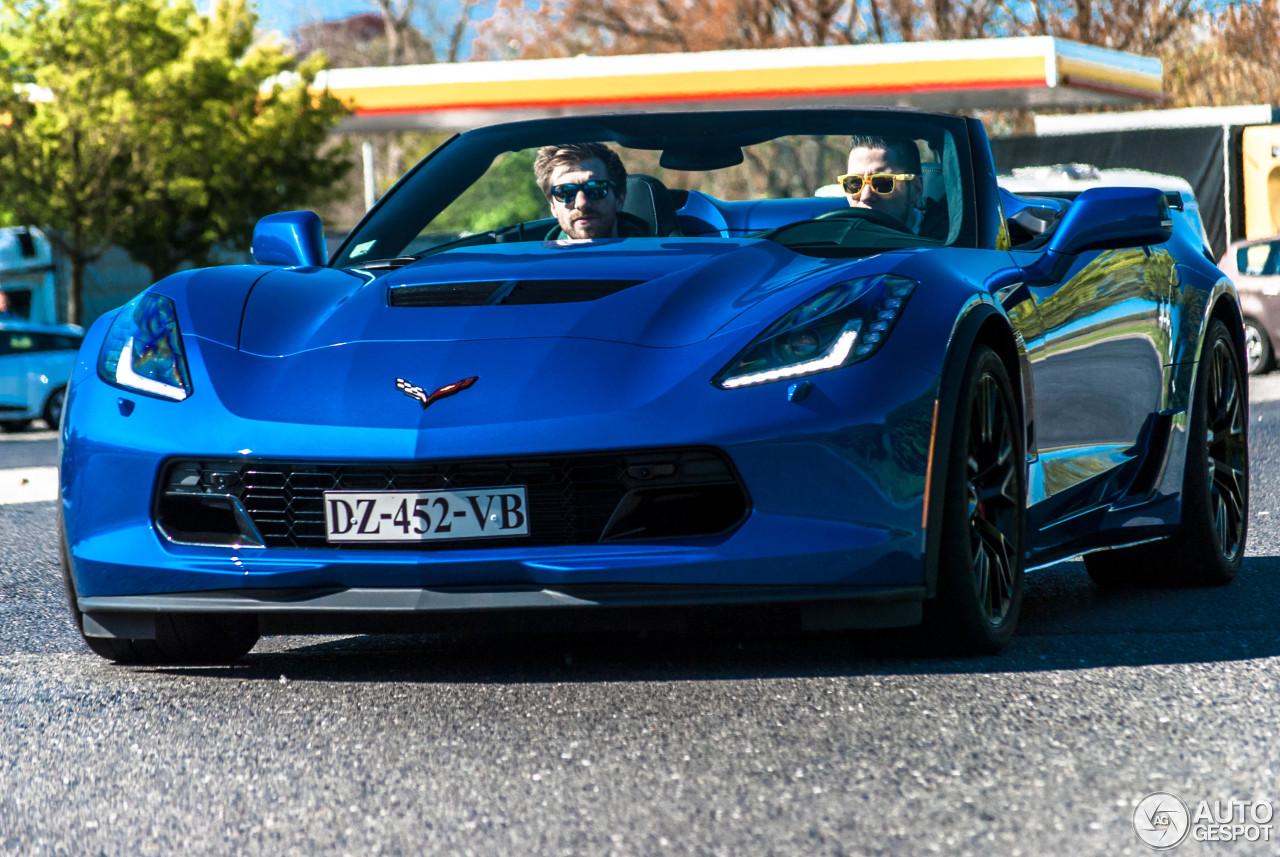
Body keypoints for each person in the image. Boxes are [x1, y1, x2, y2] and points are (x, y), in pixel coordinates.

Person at [534, 142, 640, 240]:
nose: (582, 203)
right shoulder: (530, 259)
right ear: (553, 207)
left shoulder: (654, 255)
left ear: (619, 199)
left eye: (595, 189)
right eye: (565, 192)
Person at [839, 135, 925, 232]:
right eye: (854, 183)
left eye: (882, 183)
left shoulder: (940, 242)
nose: (865, 196)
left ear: (916, 189)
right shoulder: (833, 239)